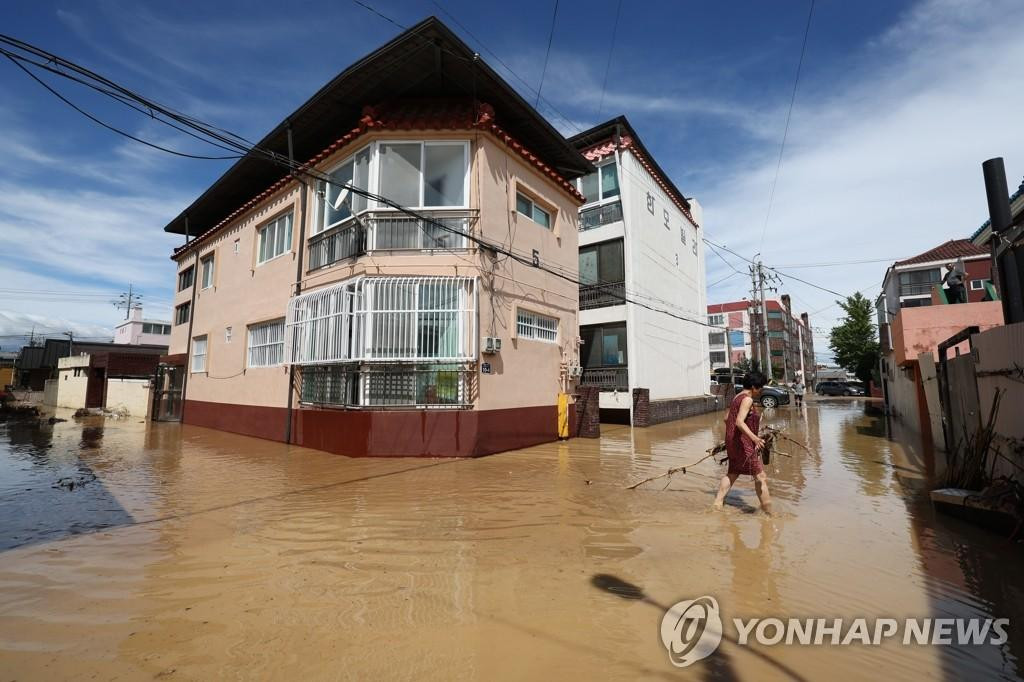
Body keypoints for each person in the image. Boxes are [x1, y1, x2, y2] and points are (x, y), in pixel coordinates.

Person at [713, 371, 772, 514]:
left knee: (733, 472)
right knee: (760, 476)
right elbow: (739, 422)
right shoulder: (747, 400)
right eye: (760, 387)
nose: (761, 390)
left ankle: (717, 504)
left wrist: (732, 435)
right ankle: (769, 513)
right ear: (753, 386)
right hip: (743, 442)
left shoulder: (737, 397)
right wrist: (755, 438)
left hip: (733, 441)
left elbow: (727, 419)